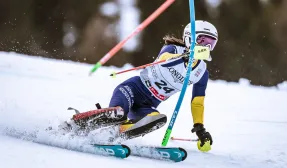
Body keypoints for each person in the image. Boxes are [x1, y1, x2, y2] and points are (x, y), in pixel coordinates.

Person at [68, 20, 218, 152]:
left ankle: (111, 134)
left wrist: (200, 128)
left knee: (157, 119)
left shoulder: (201, 72)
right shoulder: (173, 49)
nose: (207, 47)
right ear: (189, 38)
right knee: (118, 114)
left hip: (147, 105)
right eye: (203, 40)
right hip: (131, 90)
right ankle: (76, 124)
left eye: (211, 43)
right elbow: (164, 59)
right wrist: (183, 57)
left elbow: (197, 102)